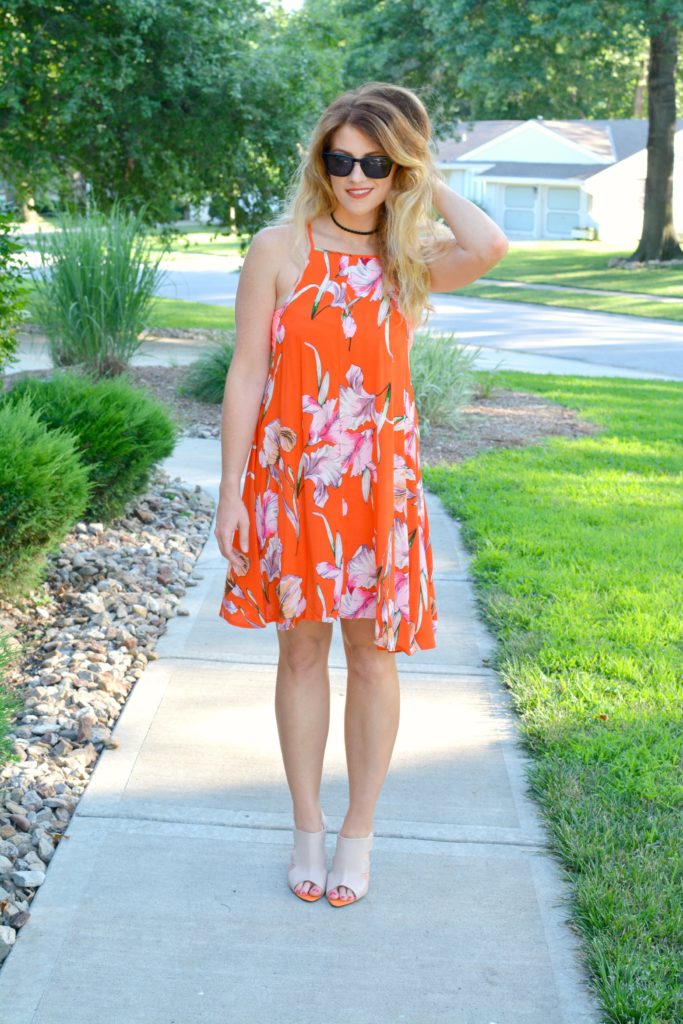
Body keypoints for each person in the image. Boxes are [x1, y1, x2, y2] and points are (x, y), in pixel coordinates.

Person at [214, 81, 509, 907]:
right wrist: (231, 492)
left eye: (374, 163)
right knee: (301, 651)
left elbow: (488, 246)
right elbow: (246, 375)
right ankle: (307, 825)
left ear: (397, 167)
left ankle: (358, 833)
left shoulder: (406, 257)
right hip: (293, 486)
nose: (354, 177)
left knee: (372, 657)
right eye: (340, 159)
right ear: (321, 161)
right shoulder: (278, 248)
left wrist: (421, 169)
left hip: (379, 490)